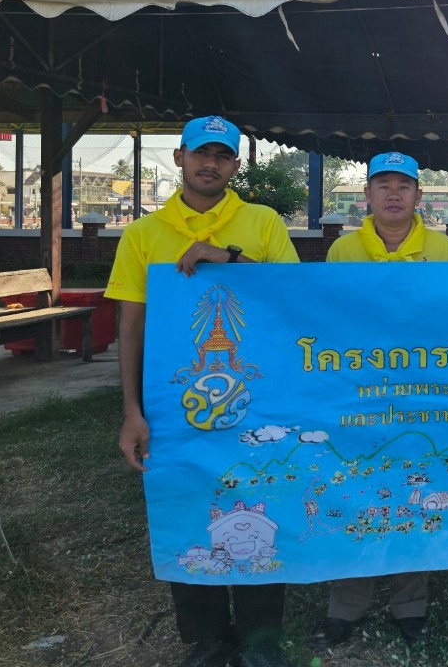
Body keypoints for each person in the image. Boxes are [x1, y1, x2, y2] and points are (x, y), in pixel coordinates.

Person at [107, 116, 299, 667]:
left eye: (221, 155)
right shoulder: (143, 235)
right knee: (188, 506)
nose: (209, 164)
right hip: (174, 407)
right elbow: (131, 327)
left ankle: (261, 638)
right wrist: (131, 411)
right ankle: (208, 638)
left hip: (257, 402)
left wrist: (230, 260)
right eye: (200, 153)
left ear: (235, 164)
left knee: (262, 502)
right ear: (179, 158)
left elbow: (292, 298)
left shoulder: (262, 222)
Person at [307, 150, 448, 653]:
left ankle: (410, 606)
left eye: (404, 185)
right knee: (357, 489)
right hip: (359, 391)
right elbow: (330, 319)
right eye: (383, 185)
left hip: (420, 391)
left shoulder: (442, 249)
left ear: (419, 195)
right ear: (367, 194)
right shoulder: (343, 250)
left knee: (414, 485)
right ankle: (345, 606)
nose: (394, 194)